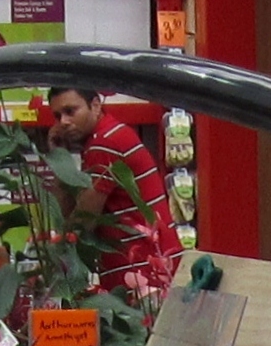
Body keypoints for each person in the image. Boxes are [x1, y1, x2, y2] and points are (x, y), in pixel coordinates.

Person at [43, 84, 174, 299]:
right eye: (57, 116)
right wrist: (60, 158)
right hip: (154, 268)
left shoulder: (105, 144)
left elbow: (81, 223)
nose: (63, 122)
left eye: (70, 111)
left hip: (144, 276)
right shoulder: (110, 135)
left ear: (95, 105)